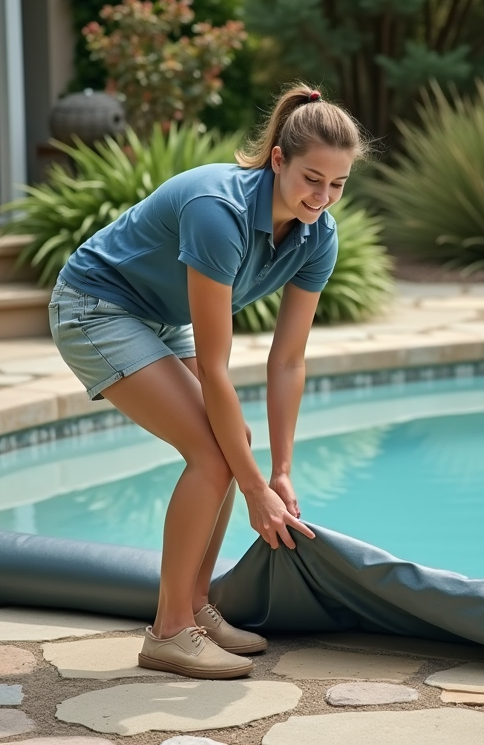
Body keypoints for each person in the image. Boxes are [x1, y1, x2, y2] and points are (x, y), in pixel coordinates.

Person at [49, 84, 367, 680]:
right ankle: (169, 631)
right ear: (278, 159)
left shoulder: (316, 236)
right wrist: (252, 492)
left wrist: (281, 472)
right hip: (95, 305)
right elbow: (218, 366)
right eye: (312, 179)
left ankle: (194, 607)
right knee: (215, 453)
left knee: (232, 440)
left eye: (338, 184)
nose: (322, 197)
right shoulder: (217, 211)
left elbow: (288, 361)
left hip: (155, 317)